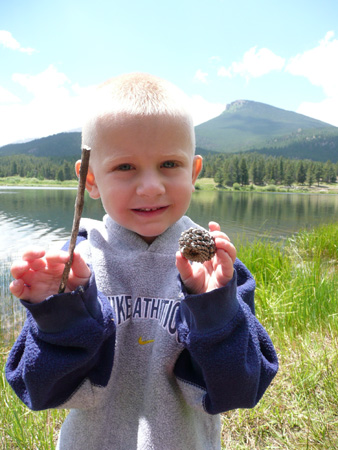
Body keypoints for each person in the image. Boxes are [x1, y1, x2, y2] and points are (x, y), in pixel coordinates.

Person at [6, 73, 278, 450]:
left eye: (169, 163)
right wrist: (60, 314)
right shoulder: (73, 269)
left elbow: (241, 390)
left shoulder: (217, 273)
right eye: (125, 167)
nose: (151, 186)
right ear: (90, 179)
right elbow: (37, 390)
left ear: (194, 171)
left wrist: (214, 309)